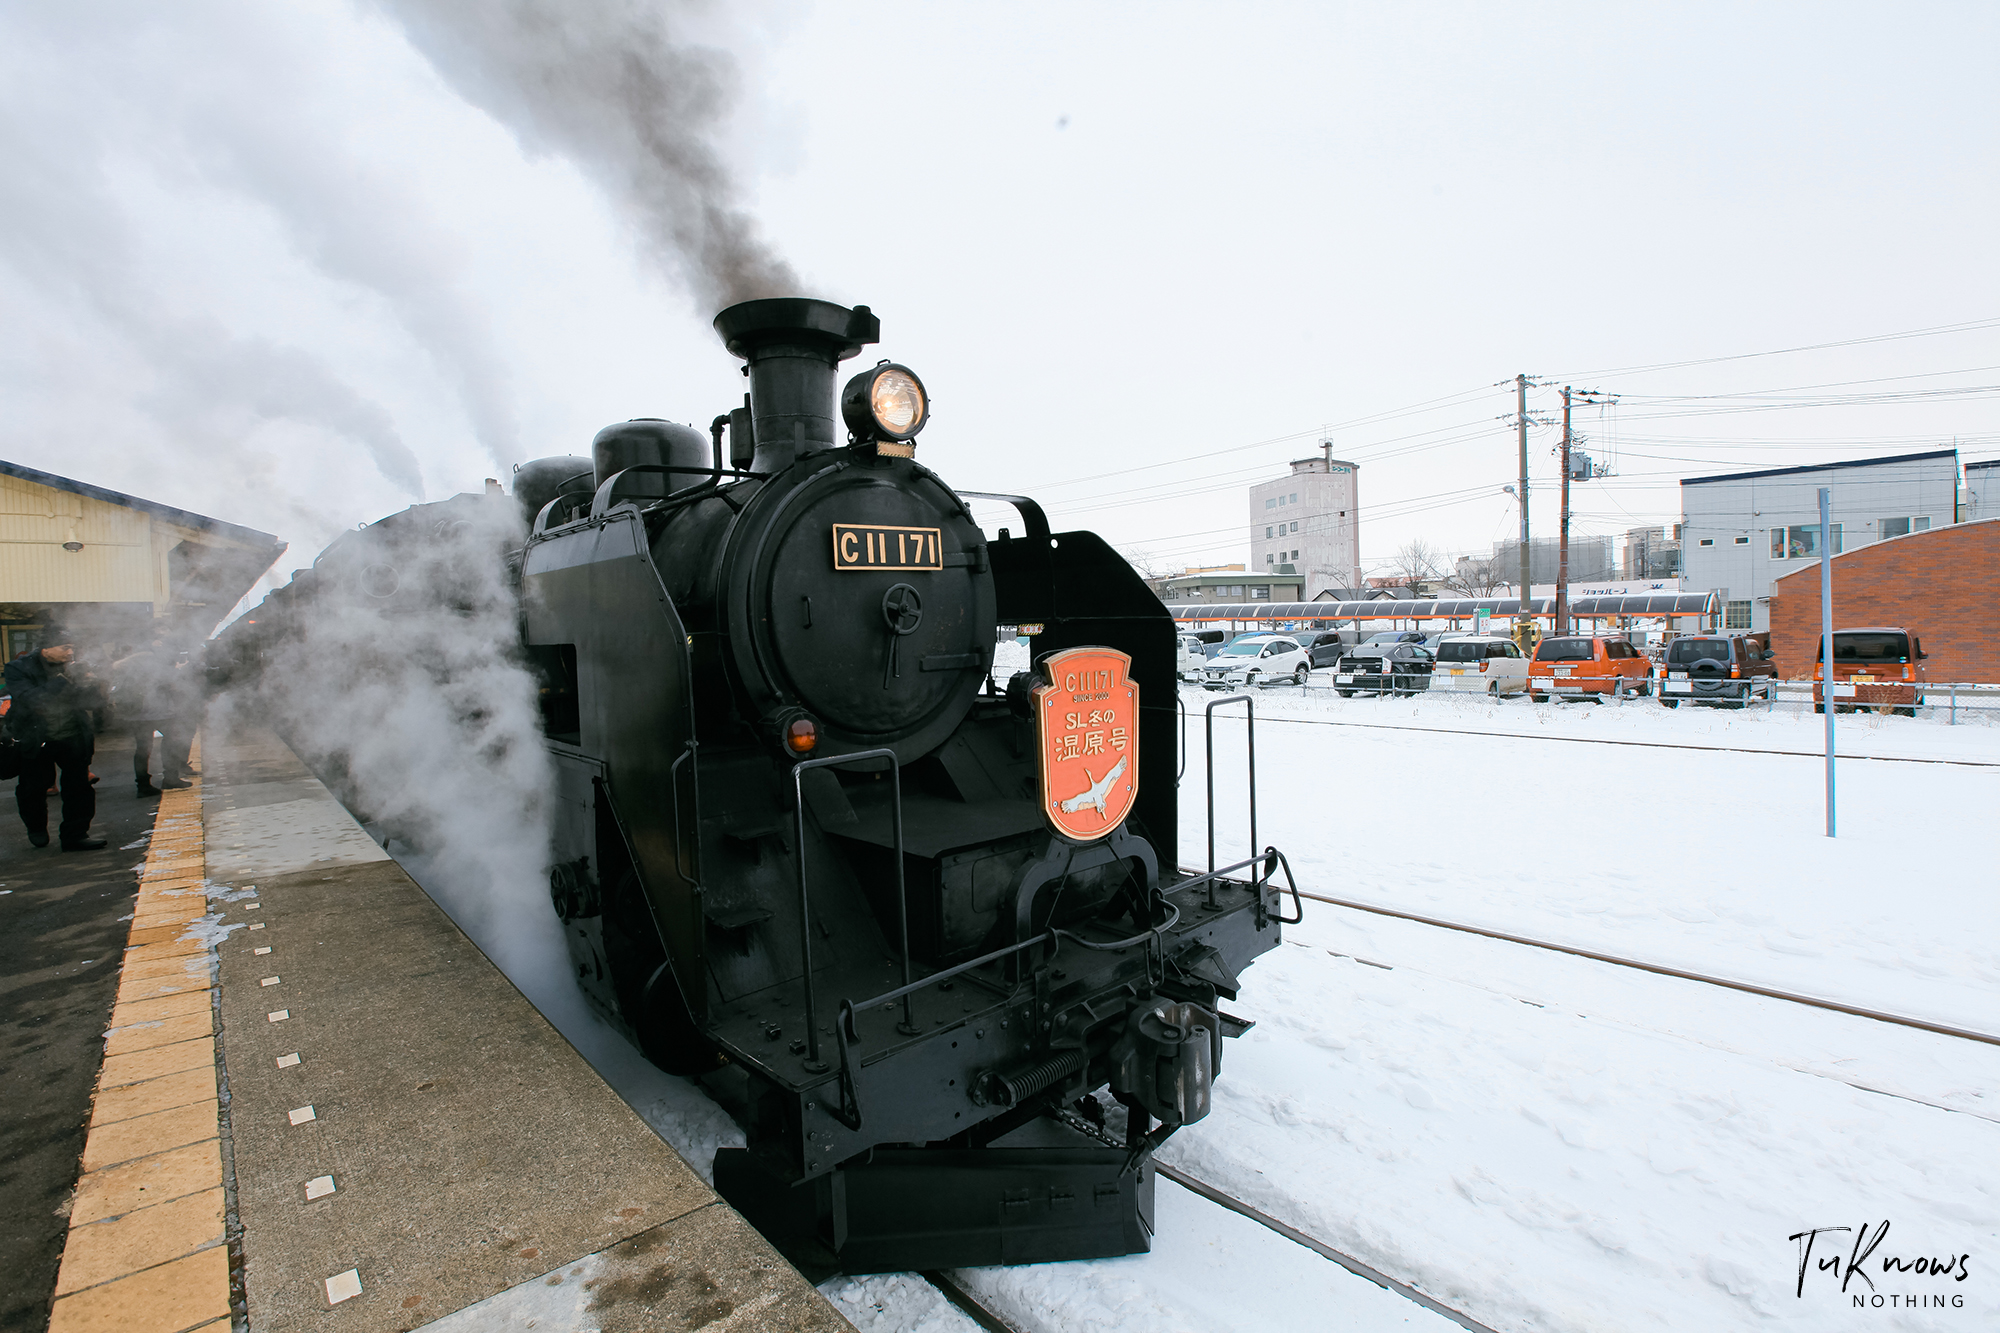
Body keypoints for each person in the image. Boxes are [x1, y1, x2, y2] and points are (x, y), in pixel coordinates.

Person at [4, 641, 108, 850]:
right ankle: (36, 827)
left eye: (72, 647)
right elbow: (32, 699)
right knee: (32, 789)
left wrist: (92, 684)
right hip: (35, 736)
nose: (70, 652)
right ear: (46, 649)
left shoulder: (75, 667)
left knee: (79, 788)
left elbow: (93, 703)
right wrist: (63, 680)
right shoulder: (19, 668)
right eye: (64, 648)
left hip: (72, 735)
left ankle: (75, 835)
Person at [113, 637, 191, 797]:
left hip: (137, 714)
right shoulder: (157, 662)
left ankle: (142, 785)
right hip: (158, 711)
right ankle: (170, 777)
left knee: (143, 748)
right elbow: (172, 683)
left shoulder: (132, 662)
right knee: (172, 740)